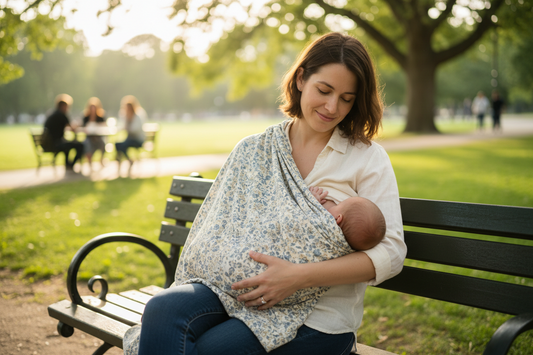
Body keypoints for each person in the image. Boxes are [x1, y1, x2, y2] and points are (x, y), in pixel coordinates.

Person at [125, 32, 406, 355]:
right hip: (233, 288)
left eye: (346, 98)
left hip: (318, 318)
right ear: (301, 78)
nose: (332, 107)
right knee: (163, 307)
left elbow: (391, 254)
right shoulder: (254, 149)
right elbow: (221, 223)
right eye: (324, 90)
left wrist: (298, 277)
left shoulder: (367, 158)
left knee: (207, 350)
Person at [309, 186, 386, 251]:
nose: (334, 204)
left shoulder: (323, 224)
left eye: (338, 205)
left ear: (338, 218)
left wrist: (312, 201)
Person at [42, 94, 84, 173]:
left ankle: (68, 165)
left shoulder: (52, 114)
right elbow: (72, 128)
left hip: (49, 144)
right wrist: (79, 124)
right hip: (56, 144)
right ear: (63, 106)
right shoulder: (62, 115)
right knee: (80, 145)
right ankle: (70, 165)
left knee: (67, 144)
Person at [115, 95, 145, 168]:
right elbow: (122, 127)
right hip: (129, 139)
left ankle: (127, 160)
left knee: (123, 145)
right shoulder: (126, 117)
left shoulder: (137, 116)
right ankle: (127, 160)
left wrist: (127, 128)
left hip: (137, 139)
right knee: (118, 144)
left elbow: (136, 130)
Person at [82, 97, 107, 168]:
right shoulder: (86, 117)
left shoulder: (100, 117)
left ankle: (101, 160)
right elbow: (83, 127)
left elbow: (104, 127)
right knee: (87, 144)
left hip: (98, 137)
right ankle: (90, 162)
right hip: (89, 138)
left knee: (103, 143)